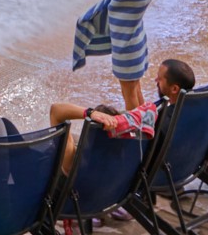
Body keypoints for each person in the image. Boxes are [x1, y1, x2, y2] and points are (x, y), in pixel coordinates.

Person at [48, 58, 195, 169]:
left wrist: (90, 113)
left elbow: (56, 111)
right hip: (122, 184)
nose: (156, 80)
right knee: (73, 138)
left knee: (56, 146)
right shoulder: (188, 115)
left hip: (82, 196)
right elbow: (139, 112)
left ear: (174, 89)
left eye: (160, 78)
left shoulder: (78, 165)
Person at [71, 0, 157, 111]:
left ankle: (136, 133)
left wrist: (84, 20)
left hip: (126, 49)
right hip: (138, 41)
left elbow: (108, 7)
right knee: (135, 88)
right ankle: (146, 127)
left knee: (128, 94)